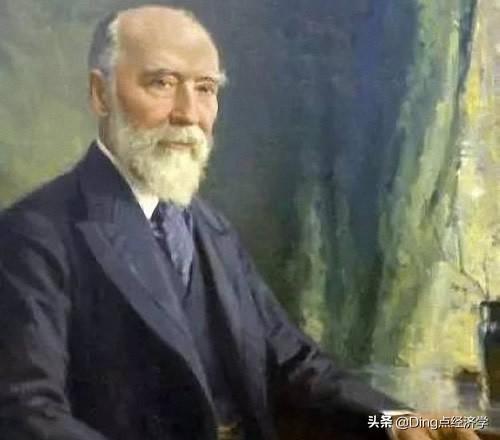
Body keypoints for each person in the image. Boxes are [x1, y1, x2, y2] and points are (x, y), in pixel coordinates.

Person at [0, 5, 480, 440]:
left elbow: (294, 365)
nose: (189, 114)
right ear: (100, 94)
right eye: (161, 83)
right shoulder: (33, 234)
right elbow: (27, 415)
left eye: (205, 89)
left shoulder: (211, 230)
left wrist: (394, 419)